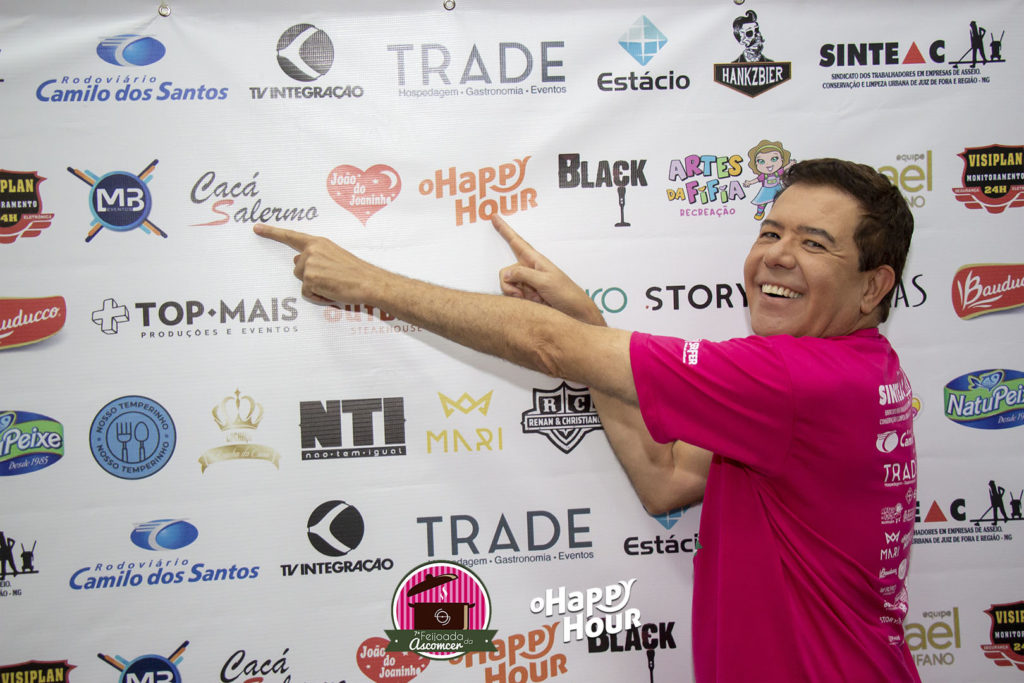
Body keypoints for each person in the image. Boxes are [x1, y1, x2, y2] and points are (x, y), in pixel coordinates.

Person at [256, 158, 920, 682]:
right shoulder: (856, 370)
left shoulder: (796, 381)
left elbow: (545, 346)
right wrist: (588, 324)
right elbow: (664, 479)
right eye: (770, 232)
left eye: (814, 243)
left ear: (873, 286)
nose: (777, 254)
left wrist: (369, 284)